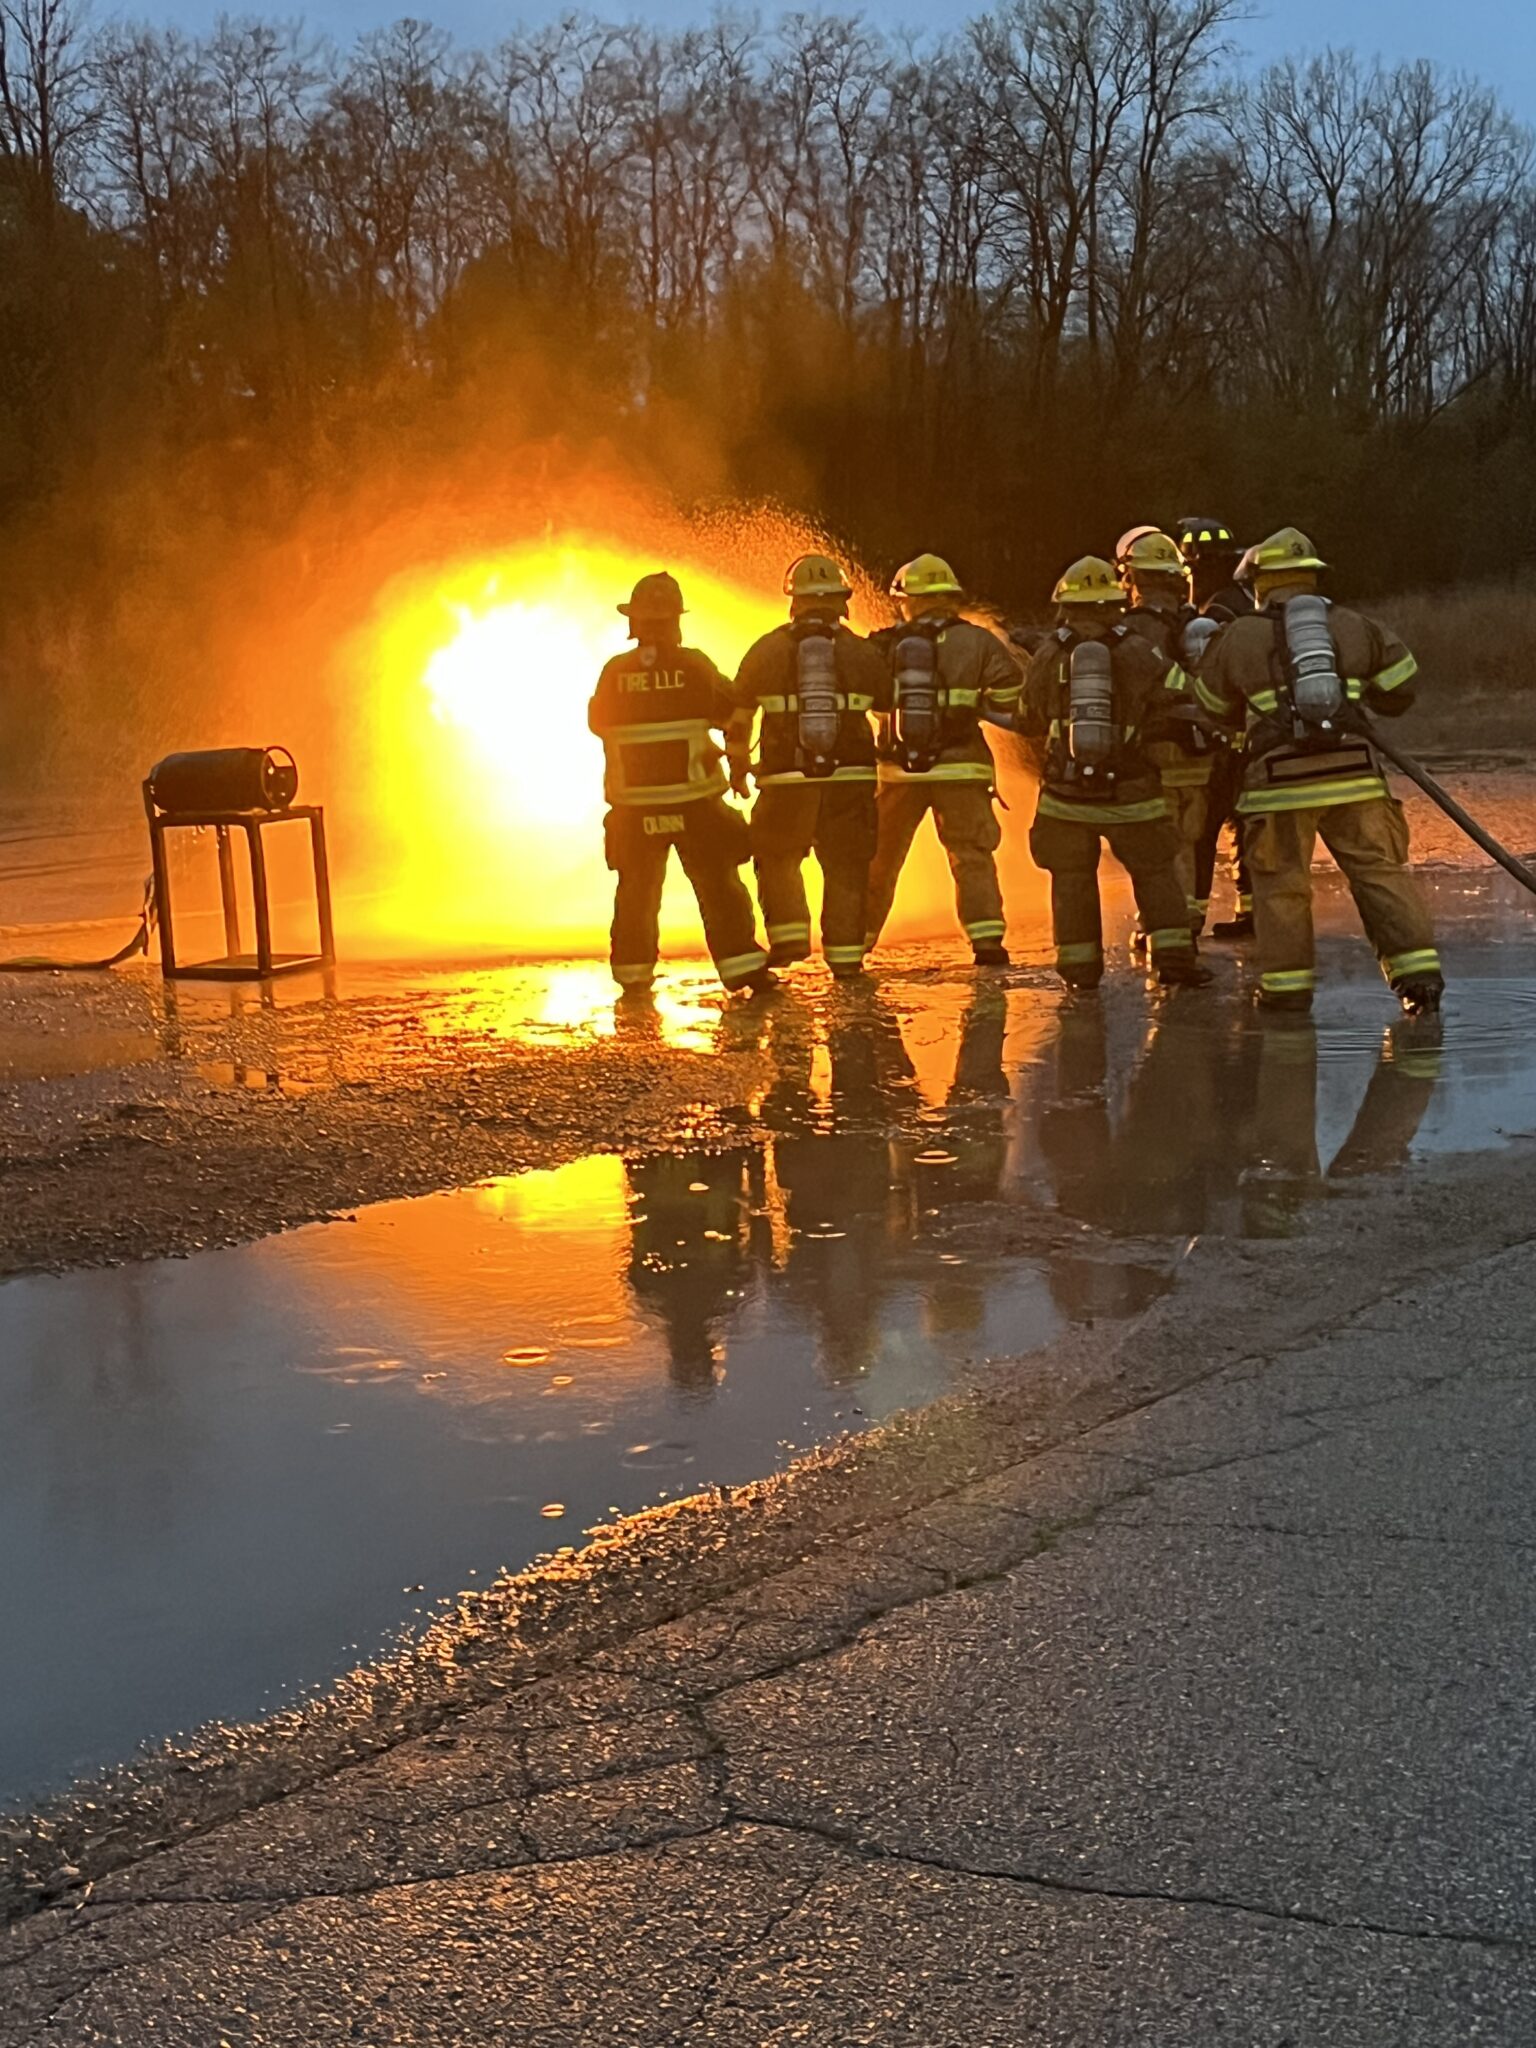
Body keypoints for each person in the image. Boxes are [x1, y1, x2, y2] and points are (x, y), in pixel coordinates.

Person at [1191, 527, 1442, 1014]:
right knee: (1380, 873)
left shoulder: (1238, 635)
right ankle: (1420, 978)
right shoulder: (1354, 625)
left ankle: (1286, 992)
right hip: (1356, 777)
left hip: (1277, 788)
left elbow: (1210, 706)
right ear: (1312, 578)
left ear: (1260, 581)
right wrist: (1356, 697)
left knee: (1282, 885)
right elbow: (1401, 688)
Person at [1019, 555, 1212, 991]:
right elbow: (1182, 695)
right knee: (1156, 874)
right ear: (1114, 603)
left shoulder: (1049, 653)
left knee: (1072, 882)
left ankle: (1080, 972)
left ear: (1066, 605)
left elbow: (1028, 717)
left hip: (1066, 798)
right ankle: (1175, 961)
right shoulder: (1139, 650)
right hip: (1133, 793)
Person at [588, 571, 773, 996]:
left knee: (636, 891)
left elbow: (598, 723)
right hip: (695, 804)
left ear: (633, 623)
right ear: (675, 622)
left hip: (633, 808)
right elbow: (732, 712)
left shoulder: (614, 673)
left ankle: (632, 976)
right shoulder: (694, 666)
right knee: (719, 885)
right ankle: (742, 968)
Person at [726, 553, 890, 978]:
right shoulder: (862, 651)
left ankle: (789, 939)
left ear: (793, 601)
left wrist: (738, 766)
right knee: (847, 865)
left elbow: (739, 716)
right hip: (850, 779)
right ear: (842, 601)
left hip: (784, 780)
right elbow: (890, 708)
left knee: (776, 856)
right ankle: (846, 959)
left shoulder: (766, 649)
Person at [865, 553, 1022, 966]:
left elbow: (864, 698)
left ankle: (854, 945)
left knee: (879, 858)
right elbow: (1011, 698)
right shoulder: (978, 641)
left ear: (907, 600)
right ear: (951, 597)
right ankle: (987, 942)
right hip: (962, 767)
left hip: (898, 771)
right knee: (971, 857)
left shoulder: (884, 644)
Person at [1113, 526, 1215, 934]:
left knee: (1153, 843)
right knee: (1189, 839)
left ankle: (1161, 923)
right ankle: (1187, 917)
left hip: (1153, 751)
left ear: (1133, 578)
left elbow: (1129, 689)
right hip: (1200, 752)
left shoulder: (1133, 628)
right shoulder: (1198, 623)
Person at [1175, 515, 1256, 939]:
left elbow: (1207, 680)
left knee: (1202, 830)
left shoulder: (1217, 612)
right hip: (1253, 738)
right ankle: (1252, 913)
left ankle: (1190, 916)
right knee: (1246, 827)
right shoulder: (1241, 604)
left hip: (1226, 743)